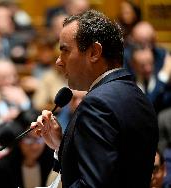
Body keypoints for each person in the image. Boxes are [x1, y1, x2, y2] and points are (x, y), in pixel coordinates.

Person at [31, 10, 158, 188]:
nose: (59, 61)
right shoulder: (138, 96)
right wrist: (62, 146)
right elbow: (114, 170)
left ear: (94, 52)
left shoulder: (98, 103)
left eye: (65, 50)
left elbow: (92, 184)